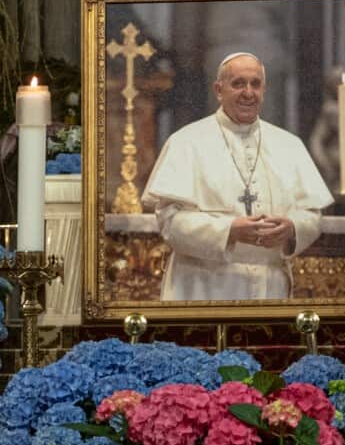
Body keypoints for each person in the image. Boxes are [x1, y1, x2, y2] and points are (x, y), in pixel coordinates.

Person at [142, 52, 334, 301]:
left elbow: (312, 215)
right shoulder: (186, 142)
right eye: (238, 83)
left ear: (264, 90)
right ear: (218, 90)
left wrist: (292, 228)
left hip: (270, 287)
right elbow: (170, 223)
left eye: (255, 84)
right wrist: (229, 230)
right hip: (201, 285)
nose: (248, 92)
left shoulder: (289, 145)